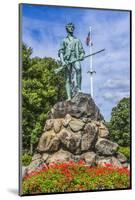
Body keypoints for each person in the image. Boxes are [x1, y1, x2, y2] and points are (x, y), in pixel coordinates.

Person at [58, 23, 85, 100]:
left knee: (78, 69)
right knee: (67, 78)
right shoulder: (63, 40)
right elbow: (61, 52)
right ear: (67, 29)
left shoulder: (77, 40)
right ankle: (69, 97)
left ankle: (79, 89)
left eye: (73, 27)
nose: (72, 28)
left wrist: (82, 55)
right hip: (67, 60)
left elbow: (82, 51)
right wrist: (63, 61)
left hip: (75, 58)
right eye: (70, 27)